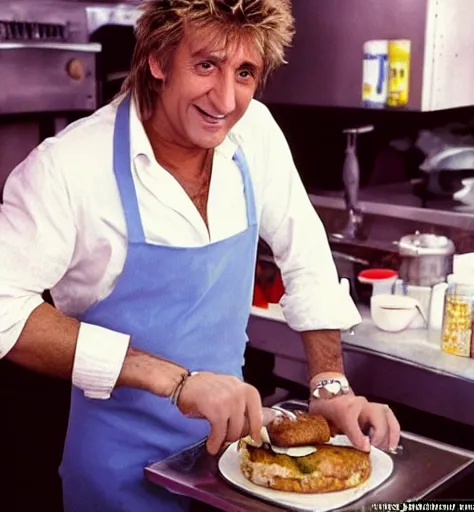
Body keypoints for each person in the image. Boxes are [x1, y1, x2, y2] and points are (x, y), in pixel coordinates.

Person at [0, 1, 400, 510]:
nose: (226, 100)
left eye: (245, 72)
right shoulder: (71, 167)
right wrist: (174, 381)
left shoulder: (254, 132)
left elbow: (307, 253)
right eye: (206, 65)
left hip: (232, 465)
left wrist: (329, 384)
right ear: (159, 58)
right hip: (119, 478)